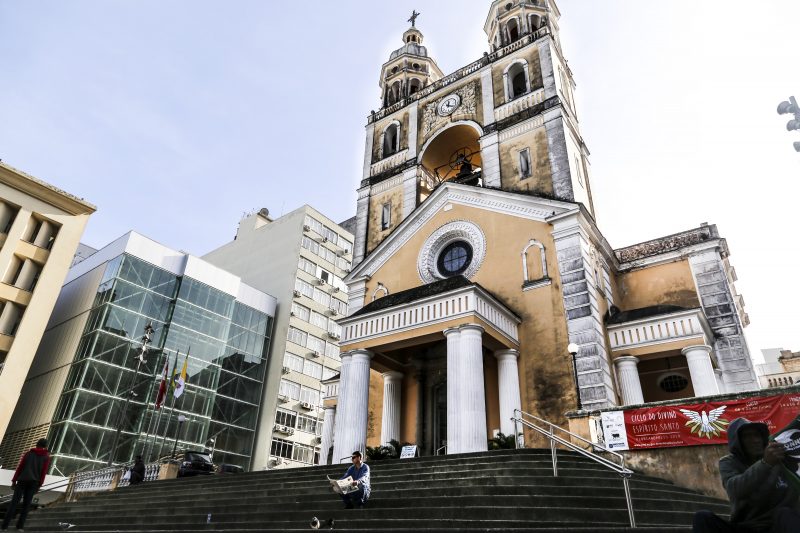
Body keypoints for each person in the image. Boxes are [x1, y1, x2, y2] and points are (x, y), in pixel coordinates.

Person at [693, 418, 800, 533]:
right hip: (745, 526)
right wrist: (765, 464)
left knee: (786, 514)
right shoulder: (729, 462)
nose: (755, 440)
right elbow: (735, 490)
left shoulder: (780, 458)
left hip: (777, 525)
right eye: (747, 436)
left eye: (757, 435)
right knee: (702, 517)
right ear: (737, 441)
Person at [1, 438, 50, 532]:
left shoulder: (28, 453)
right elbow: (43, 472)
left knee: (13, 503)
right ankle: (20, 527)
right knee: (26, 505)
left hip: (22, 480)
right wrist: (40, 485)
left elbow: (20, 467)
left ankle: (4, 527)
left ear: (37, 444)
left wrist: (14, 480)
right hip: (34, 483)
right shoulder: (46, 457)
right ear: (45, 446)